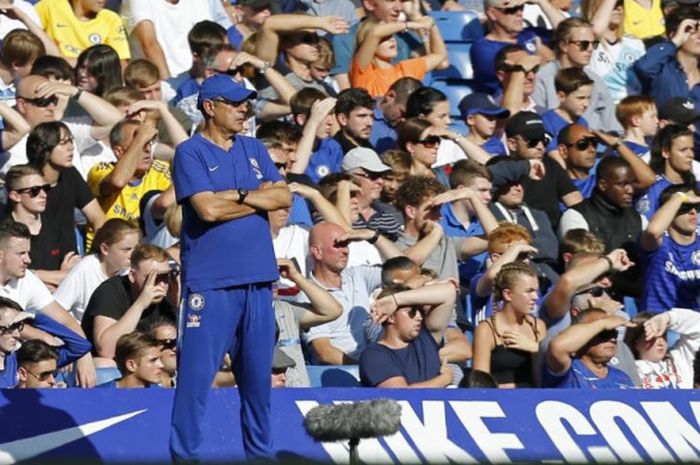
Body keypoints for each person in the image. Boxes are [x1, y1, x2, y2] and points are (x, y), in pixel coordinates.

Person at [170, 74, 292, 462]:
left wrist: (236, 195)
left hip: (258, 283)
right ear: (210, 107)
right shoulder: (190, 152)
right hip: (212, 286)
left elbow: (284, 195)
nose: (245, 109)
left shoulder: (254, 147)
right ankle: (185, 458)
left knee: (259, 386)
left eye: (247, 103)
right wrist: (258, 198)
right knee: (194, 385)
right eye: (236, 103)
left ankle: (261, 458)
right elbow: (206, 210)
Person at [0, 220, 96, 386]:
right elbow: (8, 323)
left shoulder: (27, 280)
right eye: (21, 253)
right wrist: (42, 336)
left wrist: (84, 358)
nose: (28, 260)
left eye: (28, 253)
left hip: (22, 363)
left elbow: (65, 320)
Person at [304, 222, 403, 364]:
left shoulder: (357, 275)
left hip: (377, 362)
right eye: (338, 245)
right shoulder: (308, 296)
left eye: (346, 245)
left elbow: (405, 270)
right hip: (340, 375)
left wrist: (373, 236)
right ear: (317, 251)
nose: (346, 251)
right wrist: (367, 370)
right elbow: (325, 353)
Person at [81, 243, 177, 359]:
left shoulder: (168, 294)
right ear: (132, 276)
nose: (162, 284)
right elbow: (107, 351)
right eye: (152, 278)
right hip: (106, 366)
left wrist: (177, 304)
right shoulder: (110, 291)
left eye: (165, 276)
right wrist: (140, 304)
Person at [359, 281, 457, 387]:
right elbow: (402, 395)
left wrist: (395, 300)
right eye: (412, 312)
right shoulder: (373, 355)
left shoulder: (426, 338)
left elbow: (449, 292)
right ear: (391, 317)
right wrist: (444, 379)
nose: (419, 317)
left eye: (421, 312)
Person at [534, 17, 620, 132]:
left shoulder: (595, 79)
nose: (590, 49)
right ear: (564, 45)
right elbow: (539, 123)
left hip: (596, 144)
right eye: (584, 44)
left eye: (593, 44)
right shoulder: (542, 78)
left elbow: (613, 127)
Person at [472, 262, 546, 388]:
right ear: (508, 294)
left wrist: (535, 349)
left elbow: (543, 378)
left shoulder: (537, 326)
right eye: (529, 291)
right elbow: (480, 382)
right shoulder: (486, 330)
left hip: (533, 398)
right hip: (500, 399)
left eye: (536, 291)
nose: (535, 297)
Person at [503, 111, 583, 227]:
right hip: (518, 234)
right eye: (533, 141)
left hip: (554, 236)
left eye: (543, 140)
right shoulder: (503, 169)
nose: (540, 147)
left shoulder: (551, 165)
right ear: (512, 144)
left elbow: (576, 203)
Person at [54, 218, 140, 321]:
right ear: (105, 249)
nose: (133, 255)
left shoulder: (130, 271)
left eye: (136, 249)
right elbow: (55, 309)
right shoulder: (85, 268)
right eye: (126, 249)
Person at [275, 258, 343, 387]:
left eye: (273, 279)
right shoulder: (237, 312)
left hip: (299, 394)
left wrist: (296, 276)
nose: (272, 284)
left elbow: (333, 310)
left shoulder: (286, 309)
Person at [471, 0, 561, 94]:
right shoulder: (483, 48)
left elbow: (571, 33)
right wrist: (546, 57)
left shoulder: (529, 33)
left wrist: (542, 2)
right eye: (512, 10)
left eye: (521, 8)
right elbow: (517, 76)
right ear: (492, 14)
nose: (519, 14)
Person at [2, 297, 91, 388]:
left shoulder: (24, 359)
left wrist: (35, 318)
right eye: (9, 328)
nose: (17, 335)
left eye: (19, 327)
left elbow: (81, 346)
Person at [349, 16, 446, 98]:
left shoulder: (405, 68)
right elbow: (374, 32)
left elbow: (439, 55)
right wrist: (409, 25)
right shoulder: (362, 70)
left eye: (391, 36)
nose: (391, 40)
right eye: (384, 38)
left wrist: (432, 26)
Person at [639, 185, 700, 312]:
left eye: (697, 207)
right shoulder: (660, 242)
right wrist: (679, 198)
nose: (693, 212)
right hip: (657, 323)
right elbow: (653, 231)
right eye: (685, 207)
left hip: (694, 324)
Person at [120, 0, 215, 80]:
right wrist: (168, 85)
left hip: (197, 77)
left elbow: (209, 38)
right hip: (162, 81)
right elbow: (149, 45)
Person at [545, 307, 635, 388]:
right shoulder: (567, 369)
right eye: (604, 333)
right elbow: (557, 346)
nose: (612, 339)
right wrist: (602, 324)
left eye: (614, 334)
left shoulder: (622, 378)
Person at [633, 6, 700, 109]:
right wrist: (675, 42)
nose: (699, 35)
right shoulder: (662, 69)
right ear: (674, 34)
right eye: (691, 30)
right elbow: (643, 67)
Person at [581, 0, 644, 104]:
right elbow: (594, 30)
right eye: (613, 5)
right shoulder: (589, 42)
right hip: (600, 108)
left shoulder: (635, 44)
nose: (618, 8)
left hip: (632, 110)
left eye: (620, 4)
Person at [624, 309, 700, 388]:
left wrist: (668, 318)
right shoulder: (627, 370)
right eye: (653, 337)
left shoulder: (679, 360)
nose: (660, 342)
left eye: (663, 336)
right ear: (636, 342)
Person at [35, 0, 130, 63]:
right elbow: (28, 42)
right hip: (54, 74)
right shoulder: (49, 7)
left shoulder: (111, 18)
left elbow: (120, 62)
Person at [635, 124, 696, 220]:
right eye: (683, 150)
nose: (691, 155)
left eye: (692, 149)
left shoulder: (696, 186)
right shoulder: (652, 188)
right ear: (666, 152)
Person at [342, 147, 403, 240]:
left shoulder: (388, 219)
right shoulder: (330, 214)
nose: (380, 181)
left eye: (381, 176)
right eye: (373, 175)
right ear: (349, 177)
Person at [542, 67, 592, 156]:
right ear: (562, 96)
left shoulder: (583, 123)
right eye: (581, 98)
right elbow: (553, 153)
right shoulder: (547, 121)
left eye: (589, 98)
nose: (586, 104)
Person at [371, 77, 423, 153]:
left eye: (409, 117)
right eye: (402, 113)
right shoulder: (362, 113)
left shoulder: (408, 126)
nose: (404, 120)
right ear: (390, 96)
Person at [459, 92, 510, 157]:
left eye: (495, 117)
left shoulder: (497, 145)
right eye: (489, 116)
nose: (494, 121)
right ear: (471, 119)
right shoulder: (459, 146)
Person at [333, 88, 376, 153]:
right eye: (362, 116)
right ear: (343, 119)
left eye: (372, 116)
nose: (370, 123)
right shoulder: (332, 152)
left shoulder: (371, 150)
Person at [147, 317, 177, 388]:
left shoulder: (190, 383)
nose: (175, 348)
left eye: (177, 343)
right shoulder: (143, 387)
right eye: (168, 343)